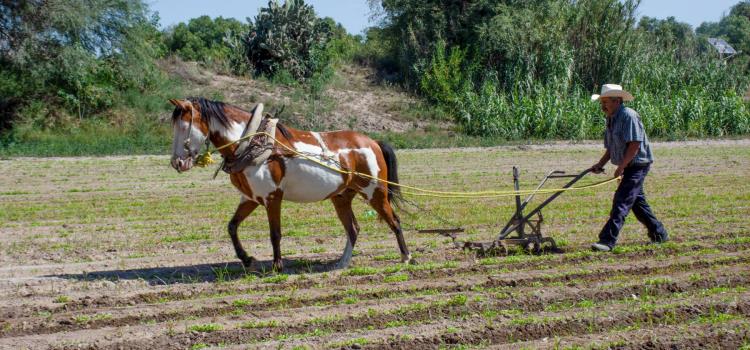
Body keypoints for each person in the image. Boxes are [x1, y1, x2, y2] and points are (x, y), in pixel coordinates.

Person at [589, 84, 668, 252]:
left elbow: (635, 145)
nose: (603, 106)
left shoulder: (628, 116)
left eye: (605, 102)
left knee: (622, 201)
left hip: (637, 164)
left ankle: (607, 241)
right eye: (601, 102)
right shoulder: (611, 118)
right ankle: (659, 233)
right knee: (637, 203)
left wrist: (621, 168)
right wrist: (600, 164)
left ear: (617, 100)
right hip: (628, 164)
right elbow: (612, 147)